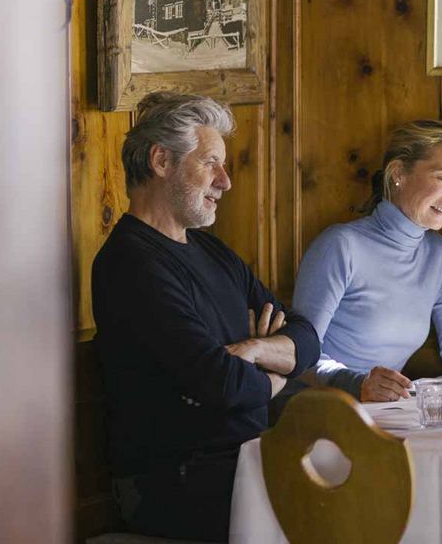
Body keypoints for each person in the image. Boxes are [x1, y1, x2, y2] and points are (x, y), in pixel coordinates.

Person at [93, 92, 321, 542]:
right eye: (211, 163)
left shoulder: (212, 251)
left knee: (374, 478)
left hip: (245, 459)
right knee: (343, 503)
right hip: (175, 483)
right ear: (161, 161)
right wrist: (272, 376)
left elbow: (307, 340)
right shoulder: (131, 263)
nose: (226, 181)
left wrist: (254, 350)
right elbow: (220, 382)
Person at [293, 120, 442, 402]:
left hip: (384, 415)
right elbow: (298, 357)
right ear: (398, 174)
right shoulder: (340, 246)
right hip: (320, 411)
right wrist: (357, 384)